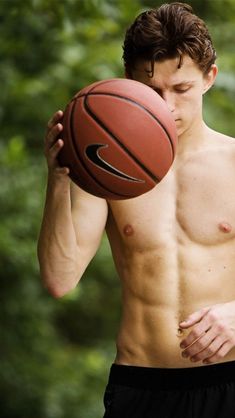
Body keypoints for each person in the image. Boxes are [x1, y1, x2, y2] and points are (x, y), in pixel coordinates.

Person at [37, 2, 235, 417]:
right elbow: (60, 278)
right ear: (128, 80)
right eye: (153, 91)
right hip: (141, 386)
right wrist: (59, 180)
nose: (167, 106)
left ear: (209, 79)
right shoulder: (107, 170)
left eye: (181, 89)